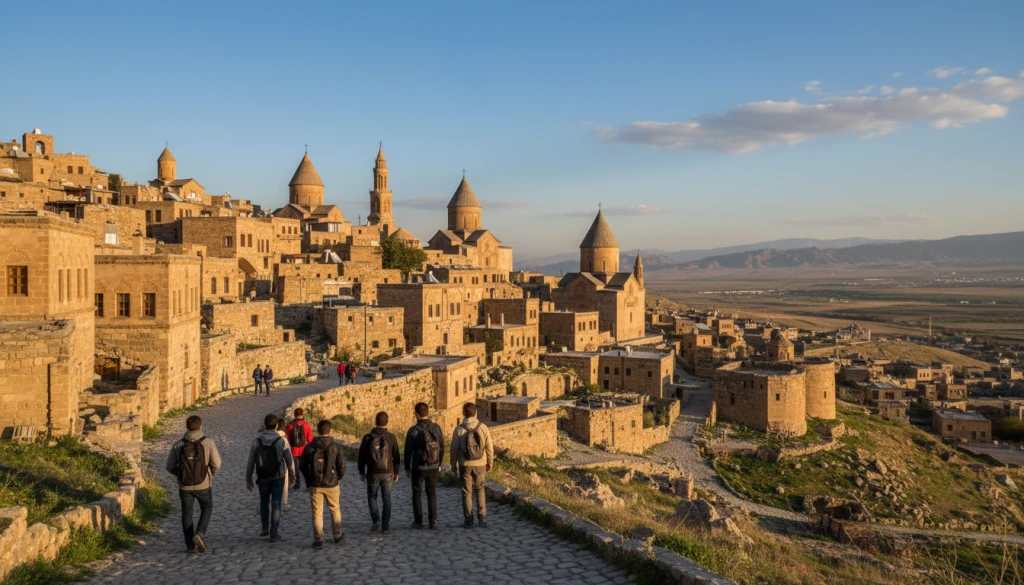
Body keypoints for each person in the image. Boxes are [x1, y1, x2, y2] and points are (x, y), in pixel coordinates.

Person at [165, 415, 221, 553]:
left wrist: (180, 475)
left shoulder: (178, 444)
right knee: (207, 507)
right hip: (203, 484)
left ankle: (190, 546)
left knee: (187, 513)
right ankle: (200, 533)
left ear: (186, 427)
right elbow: (217, 463)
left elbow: (169, 466)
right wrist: (210, 474)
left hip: (184, 486)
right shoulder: (208, 443)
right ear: (200, 426)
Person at [245, 414, 294, 541]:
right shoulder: (281, 441)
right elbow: (289, 460)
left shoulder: (257, 441)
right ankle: (274, 531)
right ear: (277, 426)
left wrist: (248, 479)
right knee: (276, 503)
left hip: (262, 476)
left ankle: (264, 527)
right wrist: (293, 475)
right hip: (278, 476)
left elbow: (251, 462)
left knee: (264, 501)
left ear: (265, 425)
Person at [300, 419, 347, 548]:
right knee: (335, 509)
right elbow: (342, 466)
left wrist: (308, 480)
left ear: (317, 430)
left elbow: (302, 466)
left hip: (315, 484)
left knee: (317, 512)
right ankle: (337, 535)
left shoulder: (309, 447)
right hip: (332, 484)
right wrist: (338, 478)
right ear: (330, 431)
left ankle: (318, 539)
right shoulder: (336, 447)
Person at [450, 402, 494, 528]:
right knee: (480, 489)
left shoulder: (459, 429)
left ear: (464, 414)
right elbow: (489, 447)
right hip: (480, 463)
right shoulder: (483, 427)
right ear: (475, 413)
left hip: (465, 464)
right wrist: (490, 462)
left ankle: (469, 520)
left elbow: (454, 449)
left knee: (466, 492)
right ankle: (482, 517)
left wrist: (453, 465)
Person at [357, 411, 400, 534]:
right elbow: (396, 456)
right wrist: (396, 471)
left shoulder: (368, 437)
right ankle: (385, 525)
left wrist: (361, 471)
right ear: (387, 422)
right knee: (387, 497)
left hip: (372, 472)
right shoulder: (391, 437)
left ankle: (376, 520)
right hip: (388, 472)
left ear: (375, 421)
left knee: (372, 496)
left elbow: (362, 456)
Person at [404, 402, 445, 530]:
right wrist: (439, 463)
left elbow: (408, 451)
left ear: (416, 414)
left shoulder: (413, 430)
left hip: (418, 466)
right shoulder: (437, 428)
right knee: (431, 492)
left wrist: (407, 466)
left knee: (417, 493)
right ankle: (433, 521)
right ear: (427, 412)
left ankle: (418, 521)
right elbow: (442, 447)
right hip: (433, 465)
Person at [284, 408, 313, 490]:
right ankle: (308, 485)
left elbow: (287, 437)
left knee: (296, 468)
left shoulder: (290, 425)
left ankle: (297, 484)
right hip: (304, 450)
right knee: (305, 468)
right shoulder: (306, 424)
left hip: (294, 450)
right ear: (302, 414)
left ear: (294, 414)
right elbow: (310, 438)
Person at [274, 418, 293, 512]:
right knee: (284, 486)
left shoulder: (266, 438)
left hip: (268, 466)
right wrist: (292, 471)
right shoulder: (284, 440)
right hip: (282, 467)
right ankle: (284, 503)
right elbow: (289, 457)